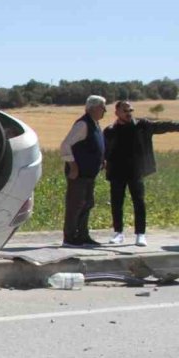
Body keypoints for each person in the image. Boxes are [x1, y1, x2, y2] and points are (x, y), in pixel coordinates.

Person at [103, 100, 179, 247]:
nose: (129, 113)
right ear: (117, 112)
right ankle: (118, 232)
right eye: (125, 110)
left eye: (131, 110)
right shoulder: (110, 130)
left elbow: (163, 126)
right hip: (117, 172)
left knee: (139, 202)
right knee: (117, 202)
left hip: (136, 171)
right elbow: (104, 150)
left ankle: (140, 234)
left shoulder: (142, 126)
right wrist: (102, 162)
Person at [59, 95, 107, 247]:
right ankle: (70, 237)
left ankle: (83, 235)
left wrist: (101, 161)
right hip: (78, 174)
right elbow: (65, 145)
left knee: (87, 203)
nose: (105, 110)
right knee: (75, 205)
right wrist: (73, 166)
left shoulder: (95, 124)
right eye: (102, 107)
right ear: (92, 108)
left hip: (89, 174)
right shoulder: (83, 124)